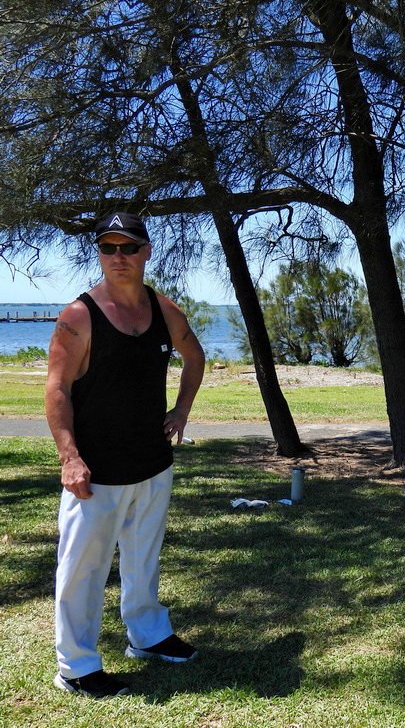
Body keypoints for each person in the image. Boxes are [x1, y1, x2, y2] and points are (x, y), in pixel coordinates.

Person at [45, 212, 206, 698]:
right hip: (96, 471)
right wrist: (69, 457)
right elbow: (56, 389)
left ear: (146, 252)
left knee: (143, 559)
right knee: (82, 569)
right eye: (108, 248)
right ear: (99, 254)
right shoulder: (79, 315)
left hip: (152, 462)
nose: (119, 256)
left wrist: (181, 410)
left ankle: (149, 636)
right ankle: (76, 666)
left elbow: (195, 356)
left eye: (129, 247)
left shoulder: (163, 309)